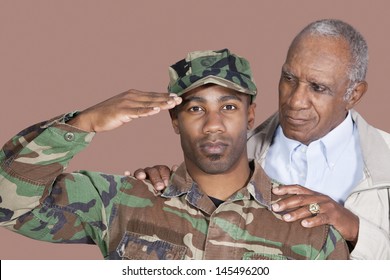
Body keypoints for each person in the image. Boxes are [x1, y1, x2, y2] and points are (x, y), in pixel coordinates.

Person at [0, 49, 349, 260]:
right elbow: (8, 203)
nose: (213, 124)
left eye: (228, 106)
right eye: (196, 109)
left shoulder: (308, 230)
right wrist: (84, 122)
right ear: (174, 120)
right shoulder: (119, 201)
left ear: (251, 116)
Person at [133, 20, 390, 260]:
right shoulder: (230, 152)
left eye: (317, 87)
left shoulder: (384, 162)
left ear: (354, 94)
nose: (295, 101)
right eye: (289, 79)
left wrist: (357, 231)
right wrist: (163, 185)